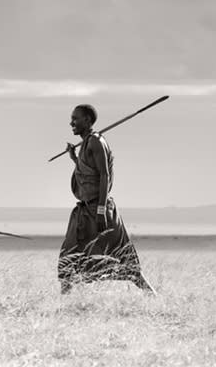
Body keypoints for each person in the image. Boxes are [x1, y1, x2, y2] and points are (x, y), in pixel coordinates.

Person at [57, 104, 155, 294]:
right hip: (84, 212)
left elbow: (104, 175)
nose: (71, 123)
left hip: (100, 210)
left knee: (121, 256)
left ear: (87, 120)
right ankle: (64, 304)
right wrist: (75, 159)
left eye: (75, 119)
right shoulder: (87, 144)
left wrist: (101, 210)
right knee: (69, 256)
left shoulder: (96, 142)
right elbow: (89, 173)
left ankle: (151, 294)